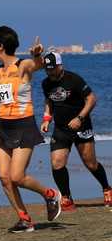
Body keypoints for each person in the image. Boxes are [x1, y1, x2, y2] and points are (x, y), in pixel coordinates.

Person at [0, 26, 61, 233]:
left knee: (17, 176)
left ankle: (50, 195)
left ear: (0, 46)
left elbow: (38, 64)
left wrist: (37, 54)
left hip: (23, 125)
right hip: (3, 127)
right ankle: (24, 219)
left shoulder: (22, 65)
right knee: (4, 177)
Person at [40, 52, 112, 210]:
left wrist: (79, 118)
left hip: (82, 126)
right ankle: (66, 198)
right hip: (60, 129)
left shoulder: (74, 79)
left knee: (91, 163)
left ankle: (107, 188)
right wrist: (46, 119)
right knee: (57, 163)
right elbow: (48, 102)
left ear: (60, 66)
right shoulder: (46, 83)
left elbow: (92, 99)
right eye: (46, 69)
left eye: (52, 68)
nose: (49, 72)